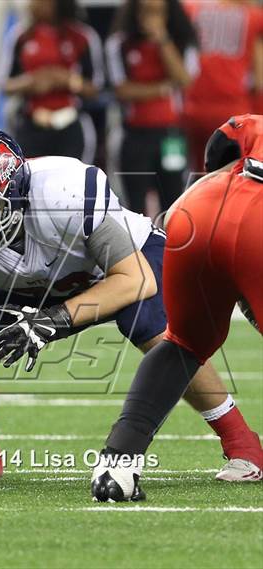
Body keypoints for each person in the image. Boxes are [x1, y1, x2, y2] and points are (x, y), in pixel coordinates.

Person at [0, 127, 260, 489]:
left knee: (159, 330)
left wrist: (52, 320)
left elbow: (135, 279)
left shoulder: (65, 191)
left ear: (14, 195)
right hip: (28, 282)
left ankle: (243, 444)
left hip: (117, 265)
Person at [91, 114, 263, 502]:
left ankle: (116, 465)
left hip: (195, 209)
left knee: (183, 344)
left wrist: (226, 188)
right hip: (255, 226)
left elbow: (223, 139)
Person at [105, 0, 199, 215]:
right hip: (135, 135)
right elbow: (122, 90)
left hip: (171, 136)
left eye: (158, 12)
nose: (151, 18)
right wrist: (161, 89)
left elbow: (184, 79)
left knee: (174, 197)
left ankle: (171, 245)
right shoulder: (119, 44)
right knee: (134, 202)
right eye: (147, 12)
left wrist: (163, 41)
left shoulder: (182, 42)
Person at [0, 0, 103, 163]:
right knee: (30, 182)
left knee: (71, 183)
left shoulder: (82, 36)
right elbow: (5, 84)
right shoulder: (20, 36)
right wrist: (32, 82)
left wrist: (67, 79)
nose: (34, 5)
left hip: (70, 124)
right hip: (31, 124)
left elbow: (95, 88)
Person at [183, 0, 263, 172]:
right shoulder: (253, 16)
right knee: (235, 179)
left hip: (192, 108)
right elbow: (258, 80)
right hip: (235, 113)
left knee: (197, 177)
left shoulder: (189, 8)